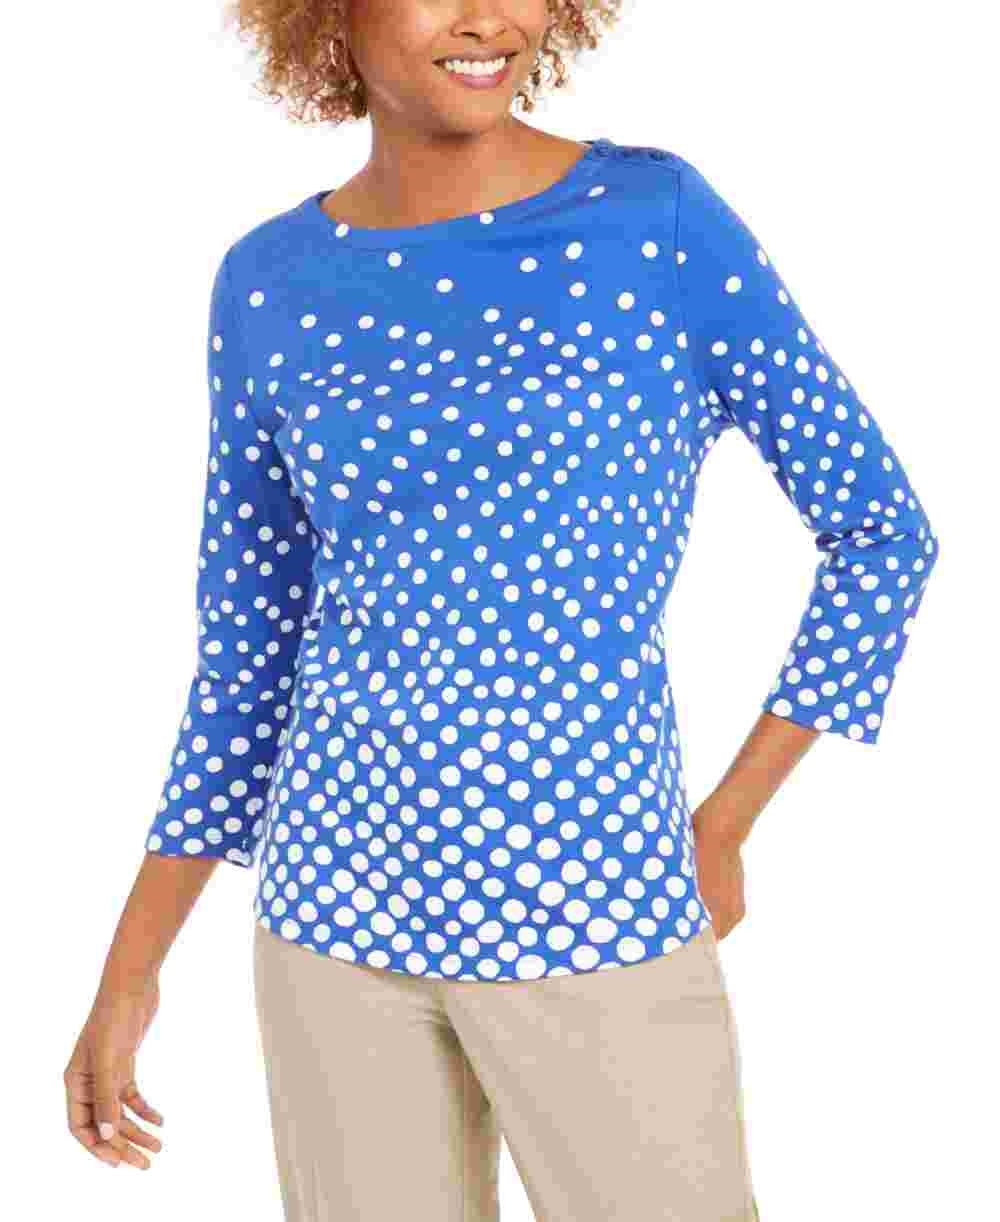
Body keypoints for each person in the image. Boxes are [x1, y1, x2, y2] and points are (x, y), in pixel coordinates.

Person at [64, 2, 941, 1219]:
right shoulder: (269, 280)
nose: (487, 18)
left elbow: (881, 532)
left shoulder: (652, 222)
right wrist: (132, 967)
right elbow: (249, 650)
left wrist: (728, 820)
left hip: (596, 909)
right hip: (331, 931)